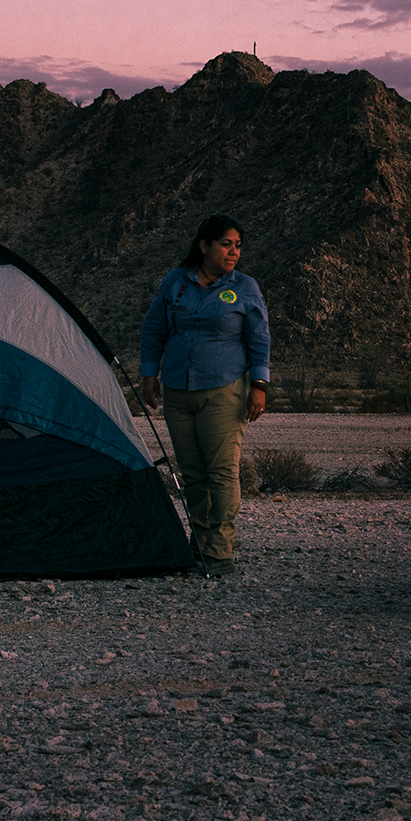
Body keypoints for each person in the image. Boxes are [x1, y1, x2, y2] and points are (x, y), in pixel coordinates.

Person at [140, 214, 271, 577]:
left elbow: (260, 339)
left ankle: (219, 551)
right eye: (226, 244)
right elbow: (154, 329)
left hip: (224, 390)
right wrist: (149, 373)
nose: (233, 252)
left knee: (222, 472)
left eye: (238, 245)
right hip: (179, 392)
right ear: (204, 245)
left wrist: (259, 385)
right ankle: (199, 544)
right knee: (193, 474)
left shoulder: (244, 288)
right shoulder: (175, 282)